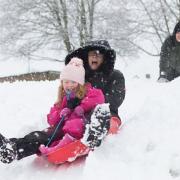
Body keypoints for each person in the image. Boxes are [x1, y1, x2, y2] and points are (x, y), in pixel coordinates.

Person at [0, 57, 105, 164]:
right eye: (66, 82)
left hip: (80, 128)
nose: (69, 85)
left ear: (80, 82)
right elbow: (51, 120)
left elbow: (98, 98)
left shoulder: (89, 92)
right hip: (62, 129)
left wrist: (82, 107)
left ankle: (60, 146)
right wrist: (61, 112)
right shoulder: (63, 97)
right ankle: (12, 148)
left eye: (73, 82)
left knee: (74, 124)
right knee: (40, 136)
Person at [65, 40, 125, 134]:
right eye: (91, 54)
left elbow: (116, 99)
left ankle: (94, 136)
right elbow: (70, 97)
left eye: (98, 54)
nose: (94, 56)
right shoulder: (81, 76)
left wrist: (90, 103)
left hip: (109, 114)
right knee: (66, 126)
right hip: (79, 116)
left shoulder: (116, 75)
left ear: (104, 58)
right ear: (86, 57)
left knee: (108, 125)